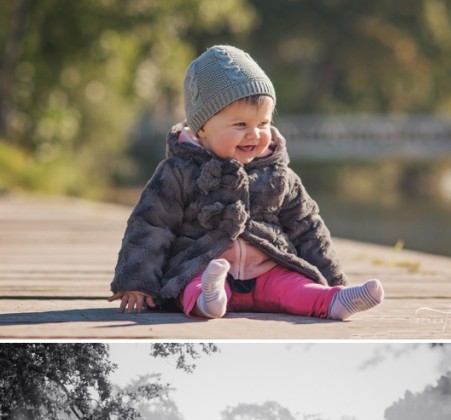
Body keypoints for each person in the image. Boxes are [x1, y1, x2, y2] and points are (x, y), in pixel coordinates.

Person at [109, 45, 383, 321]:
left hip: (269, 271)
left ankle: (334, 300)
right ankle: (210, 299)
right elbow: (151, 225)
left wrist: (334, 278)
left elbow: (308, 227)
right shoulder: (179, 171)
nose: (254, 134)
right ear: (202, 128)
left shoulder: (278, 174)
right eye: (240, 125)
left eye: (263, 123)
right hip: (201, 265)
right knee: (190, 286)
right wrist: (135, 282)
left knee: (296, 288)